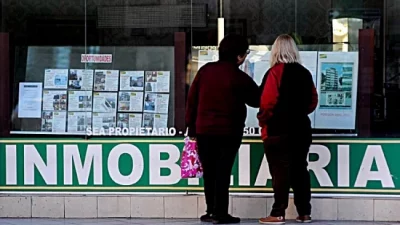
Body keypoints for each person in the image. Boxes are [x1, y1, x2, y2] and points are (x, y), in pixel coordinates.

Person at [185, 34, 260, 224]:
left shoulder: (205, 71)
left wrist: (191, 128)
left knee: (209, 172)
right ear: (238, 56)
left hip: (204, 131)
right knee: (223, 172)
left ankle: (210, 211)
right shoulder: (238, 76)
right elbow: (256, 100)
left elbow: (192, 100)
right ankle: (221, 213)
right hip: (229, 132)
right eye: (245, 54)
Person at [257, 34, 318, 224]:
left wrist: (263, 119)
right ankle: (304, 212)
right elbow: (312, 101)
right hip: (301, 129)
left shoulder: (274, 72)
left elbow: (267, 102)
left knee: (280, 172)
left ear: (275, 50)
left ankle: (277, 213)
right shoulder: (304, 72)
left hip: (278, 130)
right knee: (300, 170)